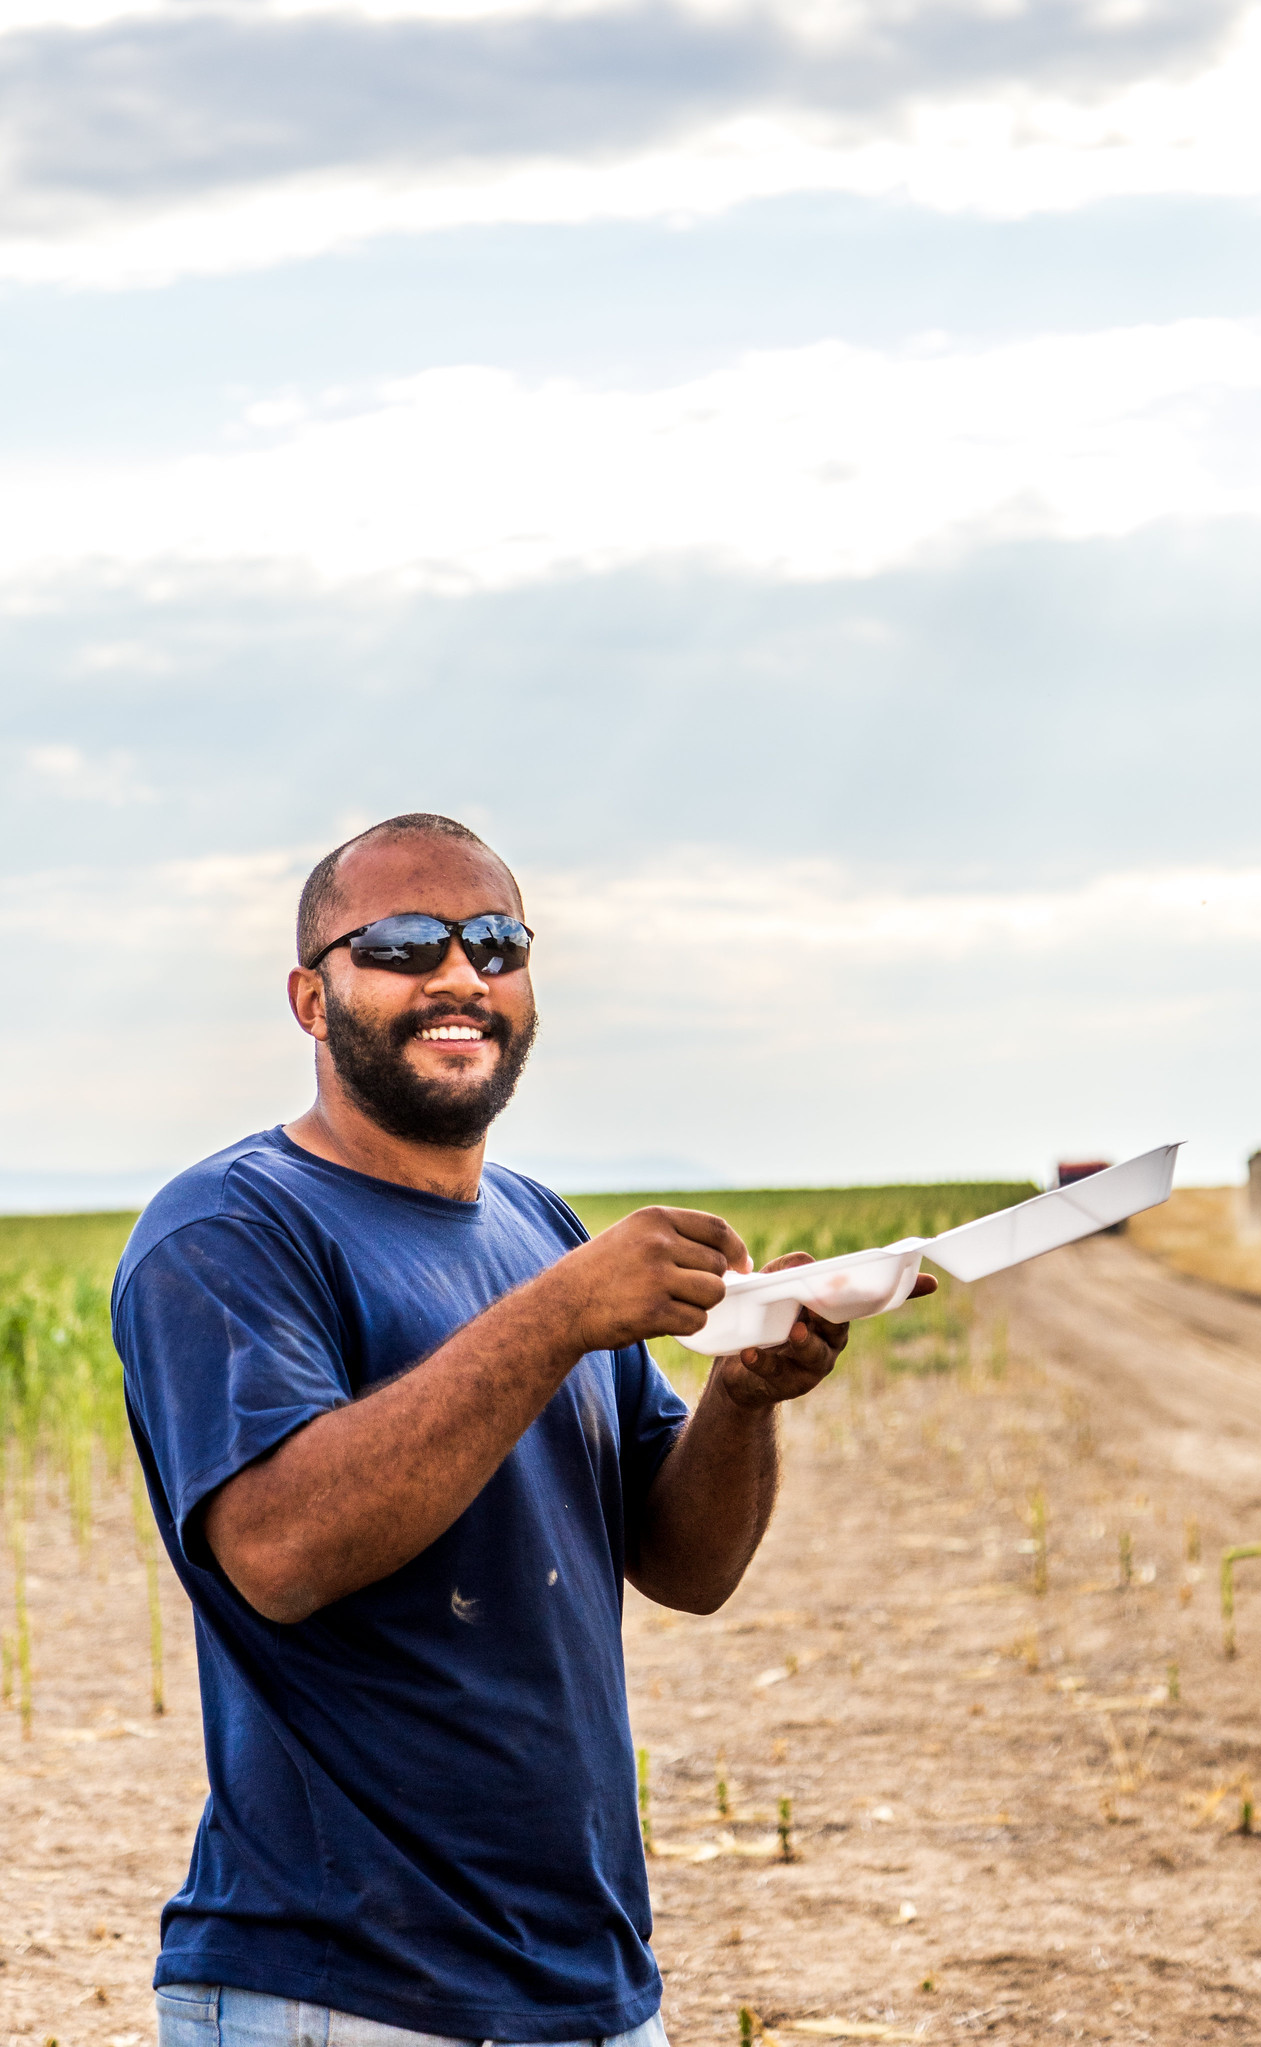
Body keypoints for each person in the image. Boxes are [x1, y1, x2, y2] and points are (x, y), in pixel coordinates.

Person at [113, 812, 936, 2047]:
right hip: (341, 1990)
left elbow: (686, 1564)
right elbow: (280, 1551)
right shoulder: (230, 1228)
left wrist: (744, 1397)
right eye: (401, 942)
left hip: (586, 1981)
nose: (461, 974)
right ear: (308, 995)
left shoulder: (537, 1223)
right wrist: (555, 1317)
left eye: (496, 940)